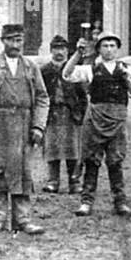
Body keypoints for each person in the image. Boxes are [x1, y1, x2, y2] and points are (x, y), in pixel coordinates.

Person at [0, 23, 49, 234]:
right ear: (3, 41)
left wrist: (38, 125)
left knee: (23, 171)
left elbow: (43, 97)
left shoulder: (31, 67)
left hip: (25, 125)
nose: (16, 45)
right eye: (12, 40)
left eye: (19, 40)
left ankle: (23, 219)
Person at [65, 32, 131, 217]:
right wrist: (77, 54)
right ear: (99, 49)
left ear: (117, 48)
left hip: (117, 119)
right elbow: (67, 74)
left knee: (115, 160)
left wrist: (126, 80)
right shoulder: (91, 68)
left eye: (112, 46)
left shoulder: (126, 68)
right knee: (92, 159)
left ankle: (120, 202)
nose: (109, 49)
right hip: (96, 119)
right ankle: (86, 201)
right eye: (105, 46)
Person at [40, 35, 84, 194]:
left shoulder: (74, 69)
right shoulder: (44, 70)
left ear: (67, 51)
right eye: (56, 49)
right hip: (51, 114)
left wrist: (81, 113)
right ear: (51, 51)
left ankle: (74, 182)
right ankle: (53, 181)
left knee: (73, 149)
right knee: (52, 148)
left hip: (70, 113)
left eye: (63, 49)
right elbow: (39, 94)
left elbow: (82, 94)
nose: (59, 52)